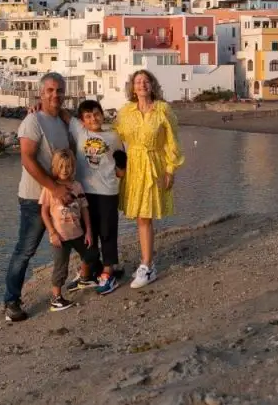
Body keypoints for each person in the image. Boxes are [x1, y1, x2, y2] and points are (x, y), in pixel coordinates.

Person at [4, 72, 73, 323]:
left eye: (59, 91)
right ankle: (11, 302)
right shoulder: (32, 121)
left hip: (60, 198)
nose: (55, 95)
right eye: (50, 90)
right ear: (41, 93)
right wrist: (53, 188)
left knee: (67, 246)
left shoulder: (63, 121)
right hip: (35, 199)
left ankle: (62, 291)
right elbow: (27, 159)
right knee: (25, 251)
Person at [113, 69, 185, 289]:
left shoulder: (163, 110)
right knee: (139, 216)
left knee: (145, 215)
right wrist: (119, 165)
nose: (142, 85)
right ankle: (146, 262)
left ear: (152, 85)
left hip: (154, 164)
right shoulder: (126, 111)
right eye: (138, 82)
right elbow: (115, 138)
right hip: (134, 166)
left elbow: (172, 142)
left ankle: (147, 265)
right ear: (132, 87)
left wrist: (171, 169)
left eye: (145, 81)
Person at [68, 99, 126, 295]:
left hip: (107, 191)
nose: (93, 118)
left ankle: (108, 273)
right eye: (88, 116)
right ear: (82, 120)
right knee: (86, 233)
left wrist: (121, 168)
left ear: (102, 114)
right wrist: (37, 106)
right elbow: (60, 112)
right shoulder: (79, 131)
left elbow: (120, 169)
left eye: (96, 113)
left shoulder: (114, 136)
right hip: (84, 193)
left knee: (107, 232)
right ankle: (89, 272)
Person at [39, 150, 97, 312]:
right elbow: (44, 212)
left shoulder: (77, 186)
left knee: (90, 254)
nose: (65, 170)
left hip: (77, 233)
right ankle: (56, 298)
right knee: (60, 267)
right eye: (61, 166)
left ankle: (84, 278)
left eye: (68, 166)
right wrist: (52, 232)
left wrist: (88, 231)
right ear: (55, 167)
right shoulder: (50, 188)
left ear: (73, 167)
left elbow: (84, 208)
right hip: (60, 236)